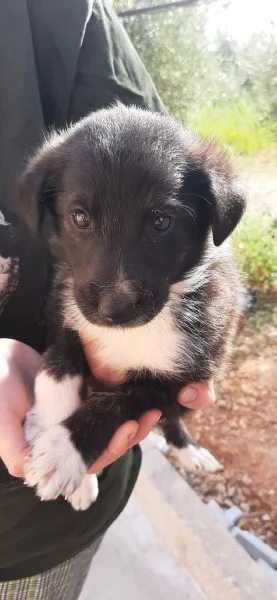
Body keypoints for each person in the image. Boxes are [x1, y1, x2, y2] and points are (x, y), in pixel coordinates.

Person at [0, 1, 215, 598]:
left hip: (31, 539)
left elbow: (153, 154)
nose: (117, 292)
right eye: (80, 219)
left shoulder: (57, 13)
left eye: (160, 224)